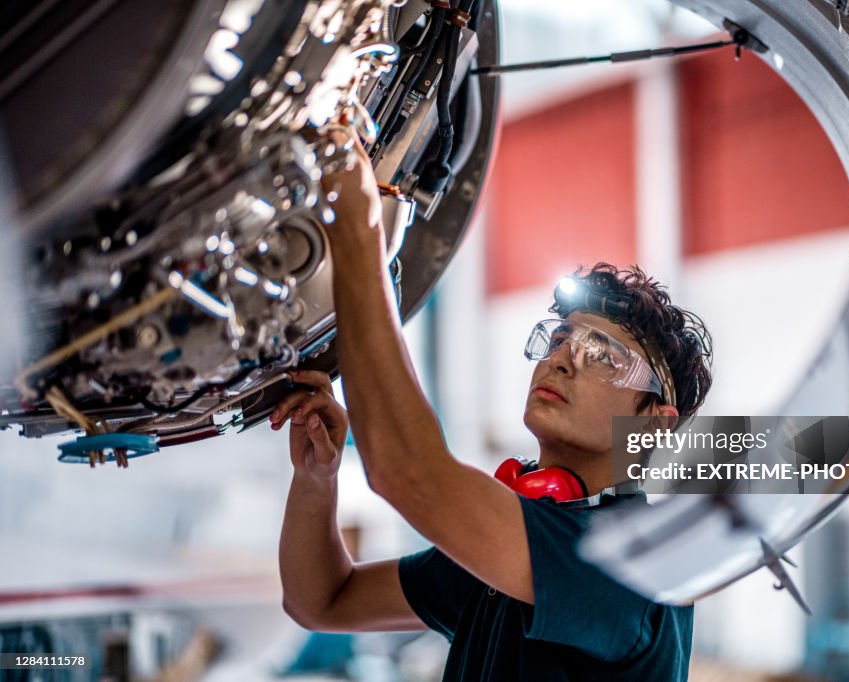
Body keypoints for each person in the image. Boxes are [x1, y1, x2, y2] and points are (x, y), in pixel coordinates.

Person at [274, 129, 714, 681]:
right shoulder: (524, 546)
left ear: (652, 423)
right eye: (559, 341)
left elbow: (410, 473)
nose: (560, 361)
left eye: (602, 356)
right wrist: (318, 480)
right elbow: (324, 601)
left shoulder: (631, 562)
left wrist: (362, 230)